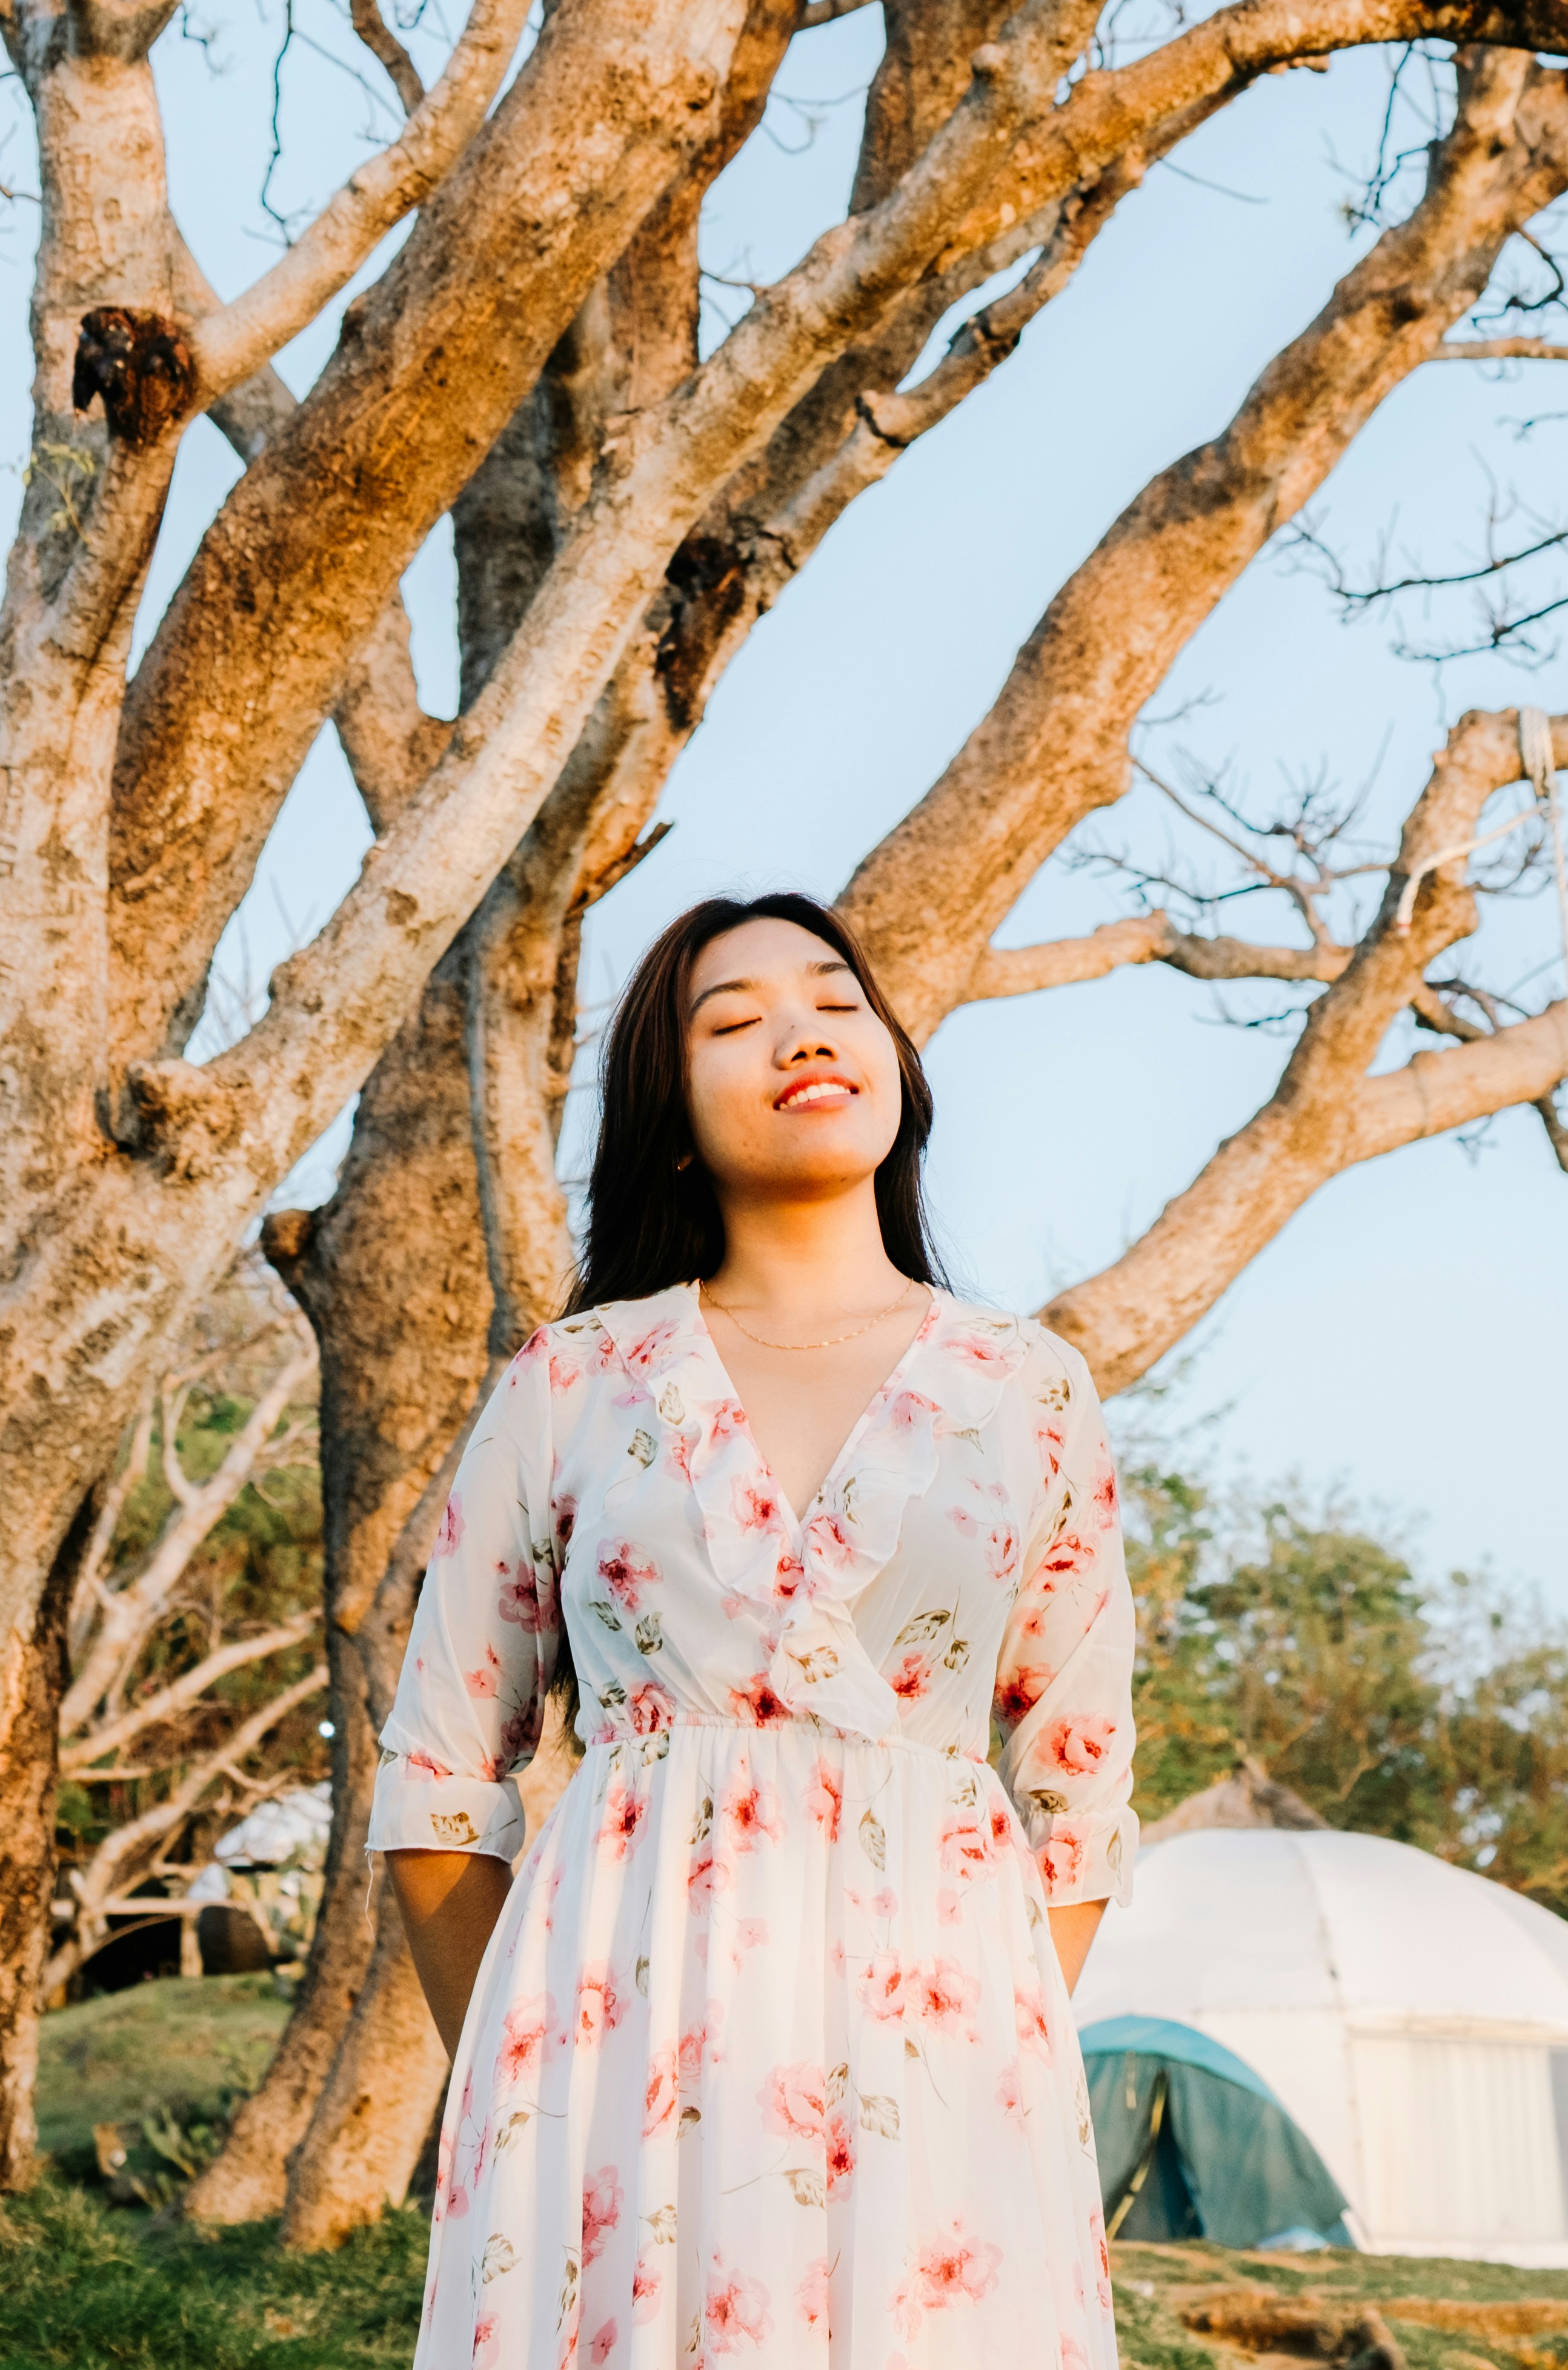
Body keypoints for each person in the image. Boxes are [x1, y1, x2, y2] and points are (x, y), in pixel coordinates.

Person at [377, 887, 1135, 2370]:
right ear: (673, 1118)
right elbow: (436, 1773)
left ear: (899, 1072)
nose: (802, 1031)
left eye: (838, 1001)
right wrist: (526, 2094)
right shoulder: (573, 1382)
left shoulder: (1028, 1388)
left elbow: (1081, 1787)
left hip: (948, 2087)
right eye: (735, 1021)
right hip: (614, 2089)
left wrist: (980, 2055)